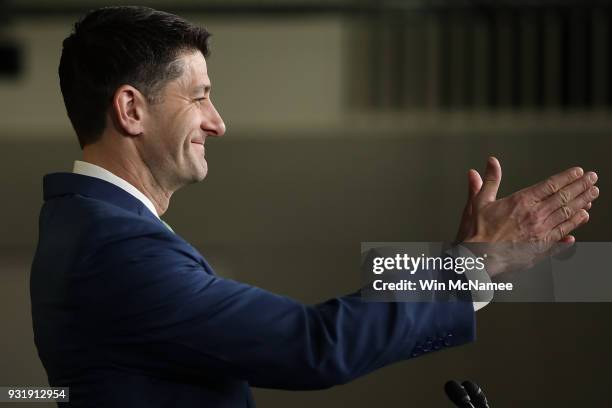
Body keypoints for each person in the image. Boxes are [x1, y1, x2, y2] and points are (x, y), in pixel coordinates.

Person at [30, 6, 599, 408]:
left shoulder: (90, 229)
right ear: (130, 109)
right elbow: (312, 346)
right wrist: (471, 266)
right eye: (200, 96)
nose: (217, 121)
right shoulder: (117, 248)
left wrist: (458, 262)